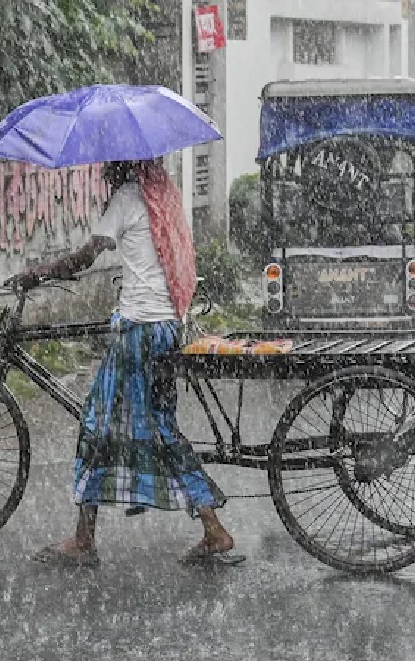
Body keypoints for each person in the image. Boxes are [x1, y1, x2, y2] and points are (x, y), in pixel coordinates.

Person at [14, 158, 243, 567]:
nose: (102, 174)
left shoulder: (128, 198)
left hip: (138, 330)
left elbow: (85, 258)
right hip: (165, 327)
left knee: (98, 424)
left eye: (107, 167)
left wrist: (38, 273)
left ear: (122, 166)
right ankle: (209, 527)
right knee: (155, 427)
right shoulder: (163, 197)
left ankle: (88, 540)